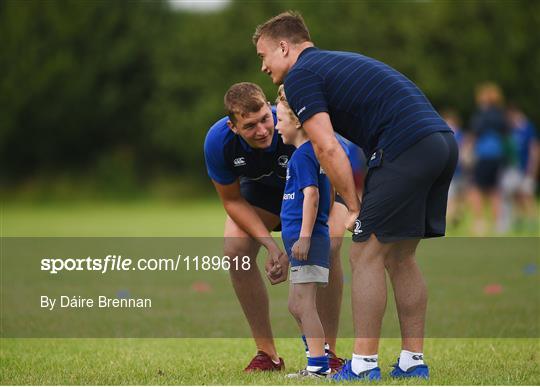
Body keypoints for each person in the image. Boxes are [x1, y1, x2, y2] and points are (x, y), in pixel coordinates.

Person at [253, 11, 458, 380]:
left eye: (264, 56)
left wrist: (353, 207)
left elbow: (328, 147)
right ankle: (413, 361)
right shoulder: (332, 63)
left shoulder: (301, 75)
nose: (264, 67)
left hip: (404, 147)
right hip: (439, 143)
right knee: (399, 257)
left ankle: (363, 365)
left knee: (364, 252)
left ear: (284, 47)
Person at [203, 82, 347, 372]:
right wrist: (272, 248)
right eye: (250, 126)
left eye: (265, 119)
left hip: (320, 192)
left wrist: (303, 242)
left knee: (327, 247)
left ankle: (327, 352)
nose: (262, 130)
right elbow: (231, 201)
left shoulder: (293, 122)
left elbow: (326, 187)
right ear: (233, 127)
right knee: (236, 250)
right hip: (265, 197)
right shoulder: (219, 141)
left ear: (270, 109)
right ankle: (267, 354)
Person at [276, 85, 332, 378]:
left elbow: (312, 195)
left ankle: (319, 367)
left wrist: (306, 236)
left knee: (304, 305)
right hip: (301, 244)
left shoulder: (303, 155)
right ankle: (315, 359)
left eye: (280, 120)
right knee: (295, 305)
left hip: (308, 242)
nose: (276, 126)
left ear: (298, 122)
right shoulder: (306, 153)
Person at [467, 83, 508, 235]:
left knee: (476, 189)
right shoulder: (501, 114)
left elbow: (475, 133)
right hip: (497, 156)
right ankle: (498, 224)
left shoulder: (482, 115)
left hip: (484, 155)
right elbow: (505, 133)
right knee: (494, 190)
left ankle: (479, 223)